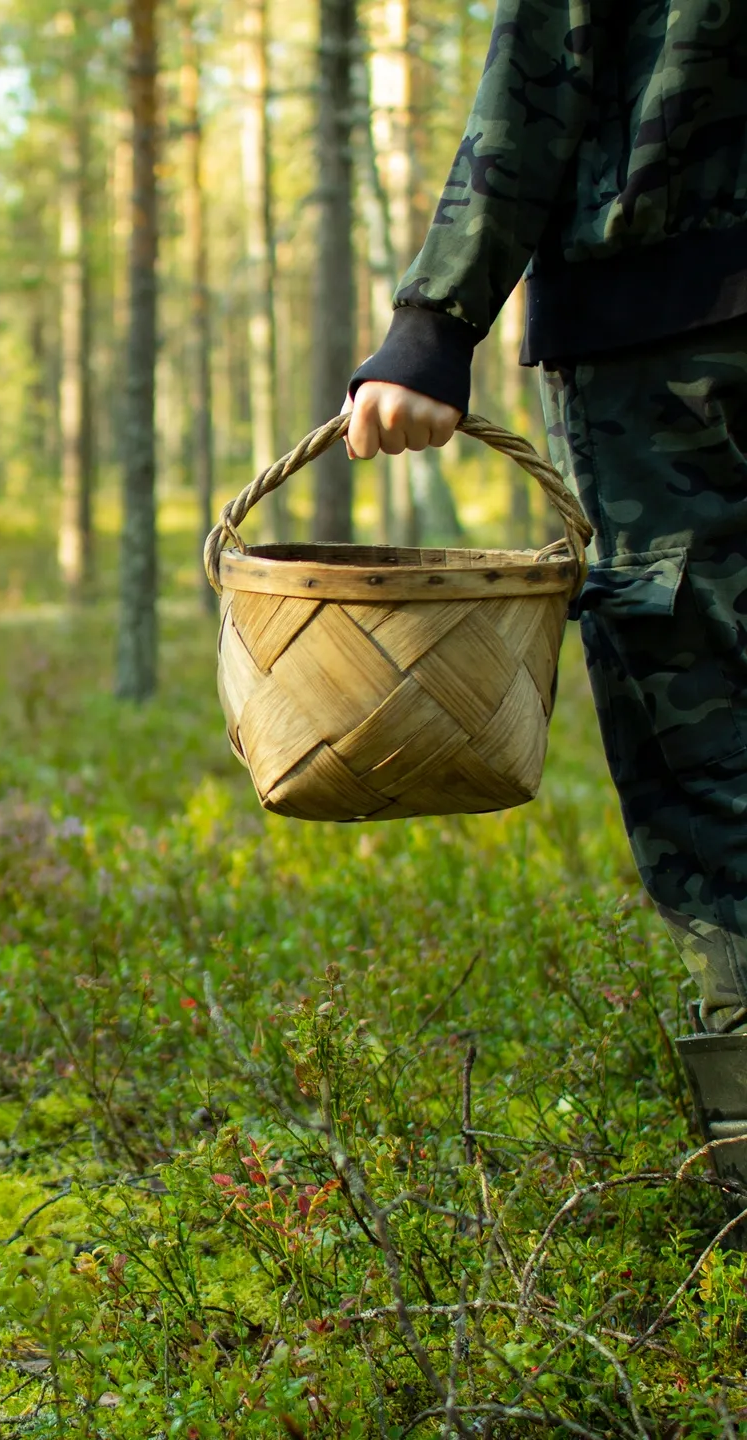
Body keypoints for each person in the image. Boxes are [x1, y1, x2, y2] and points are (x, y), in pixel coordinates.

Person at [344, 0, 747, 1180]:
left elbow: (544, 66)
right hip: (669, 318)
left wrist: (435, 318)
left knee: (707, 728)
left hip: (663, 334)